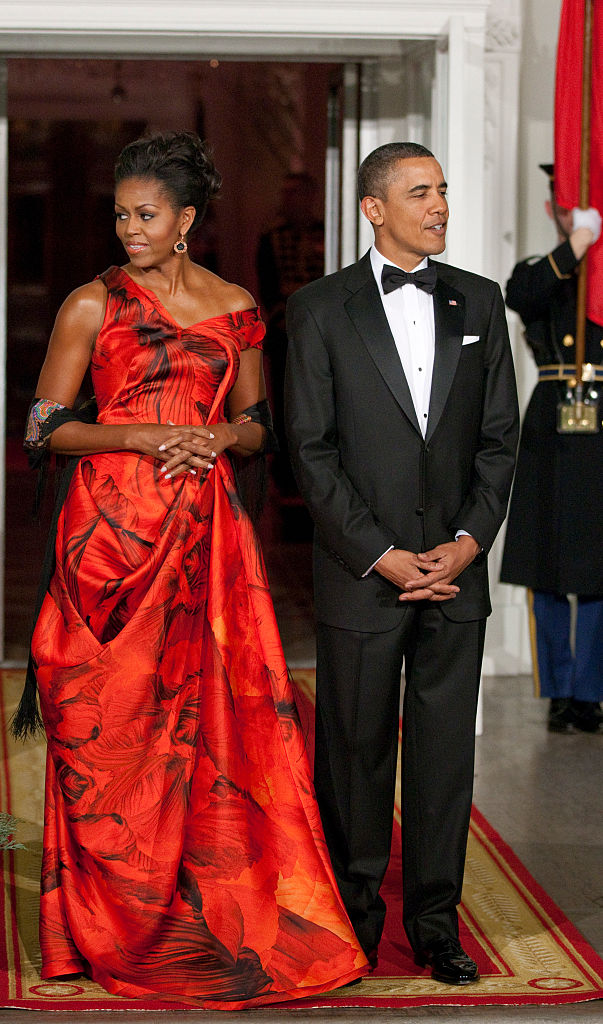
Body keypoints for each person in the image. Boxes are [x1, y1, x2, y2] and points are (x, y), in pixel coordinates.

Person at [16, 131, 368, 1009]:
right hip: (107, 539)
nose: (128, 228)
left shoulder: (239, 307)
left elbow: (260, 429)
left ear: (186, 220)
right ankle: (107, 926)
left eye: (144, 215)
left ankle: (205, 913)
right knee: (108, 734)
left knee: (208, 733)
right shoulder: (90, 305)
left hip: (206, 538)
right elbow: (43, 427)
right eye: (120, 214)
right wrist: (134, 431)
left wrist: (216, 436)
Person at [285, 142, 519, 986]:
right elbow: (309, 454)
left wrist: (466, 541)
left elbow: (499, 444)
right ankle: (352, 924)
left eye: (444, 191)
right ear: (373, 209)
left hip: (455, 574)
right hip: (361, 576)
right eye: (420, 193)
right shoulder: (317, 309)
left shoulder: (482, 303)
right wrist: (383, 556)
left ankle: (433, 927)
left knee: (442, 759)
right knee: (352, 755)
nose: (441, 206)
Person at [500, 164, 603, 735]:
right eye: (566, 207)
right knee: (546, 562)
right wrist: (577, 245)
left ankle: (589, 692)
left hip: (601, 420)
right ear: (554, 211)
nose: (573, 214)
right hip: (552, 420)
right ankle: (559, 692)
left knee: (596, 572)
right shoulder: (539, 270)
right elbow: (524, 294)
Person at [257, 172, 325, 499]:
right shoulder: (272, 237)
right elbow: (268, 286)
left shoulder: (325, 234)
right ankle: (286, 472)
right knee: (285, 401)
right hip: (285, 331)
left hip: (320, 331)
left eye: (298, 195)